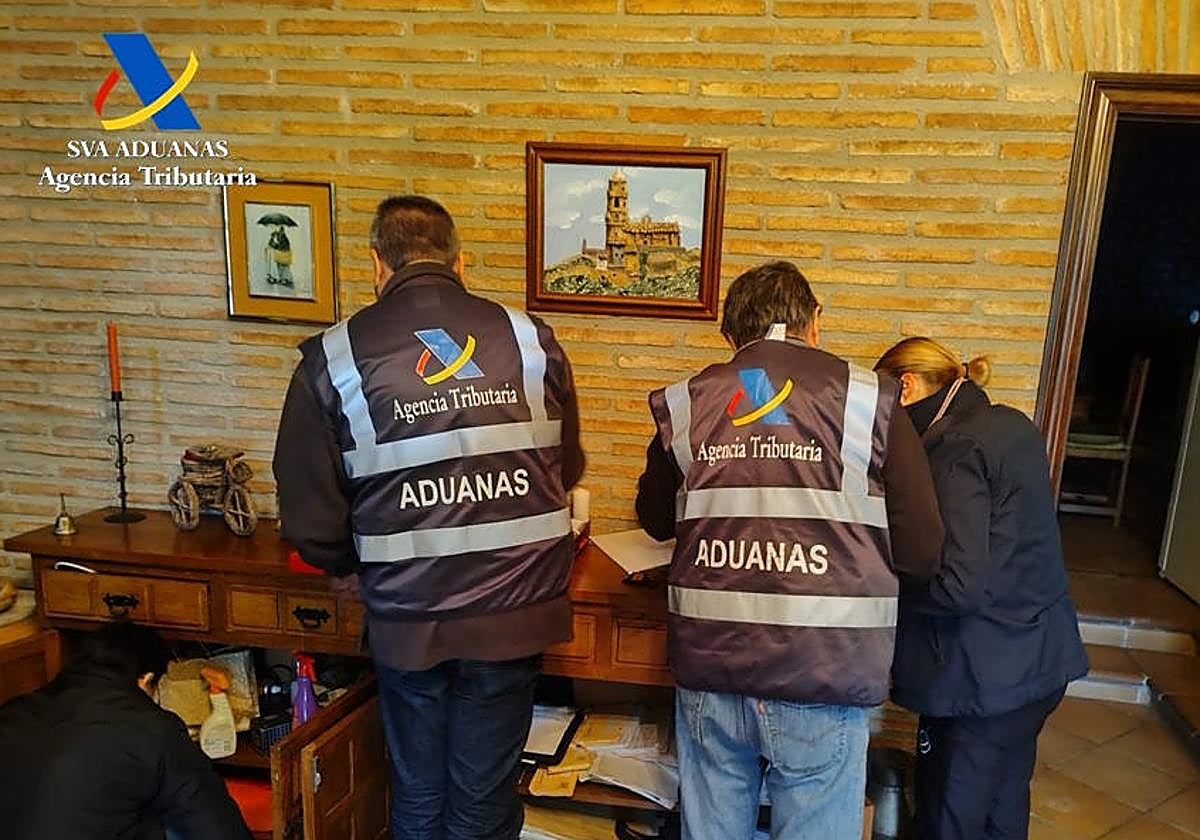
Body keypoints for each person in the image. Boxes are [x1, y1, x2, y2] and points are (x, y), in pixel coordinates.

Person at [273, 195, 584, 840]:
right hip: (512, 611)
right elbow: (567, 463)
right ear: (459, 262)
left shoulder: (335, 359)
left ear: (376, 265)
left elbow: (309, 516)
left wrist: (347, 566)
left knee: (417, 795)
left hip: (408, 616)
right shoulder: (530, 341)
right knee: (483, 797)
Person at [636, 260, 945, 840]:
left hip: (713, 665)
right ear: (814, 321)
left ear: (729, 335)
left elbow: (654, 520)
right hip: (823, 668)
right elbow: (921, 552)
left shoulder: (688, 403)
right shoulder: (869, 401)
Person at [874, 337, 1089, 840]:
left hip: (979, 680)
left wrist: (881, 590)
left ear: (905, 388)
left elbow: (956, 586)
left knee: (947, 818)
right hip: (1040, 661)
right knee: (1002, 809)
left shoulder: (951, 449)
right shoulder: (1012, 425)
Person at [0, 621, 251, 840]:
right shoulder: (154, 728)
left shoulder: (13, 713)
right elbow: (218, 829)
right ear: (146, 679)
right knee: (174, 819)